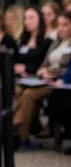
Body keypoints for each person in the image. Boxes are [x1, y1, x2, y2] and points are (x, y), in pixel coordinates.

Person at [12, 12, 71, 148]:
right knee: (19, 89)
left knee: (29, 94)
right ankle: (23, 135)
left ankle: (16, 128)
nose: (61, 28)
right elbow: (45, 63)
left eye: (65, 25)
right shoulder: (56, 42)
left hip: (58, 81)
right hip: (44, 79)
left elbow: (68, 68)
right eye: (59, 25)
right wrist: (41, 71)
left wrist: (52, 74)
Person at [14, 6, 52, 77]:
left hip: (37, 79)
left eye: (31, 18)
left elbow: (45, 66)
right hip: (20, 78)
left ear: (40, 20)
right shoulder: (22, 41)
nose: (27, 22)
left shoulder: (47, 42)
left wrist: (26, 68)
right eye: (25, 18)